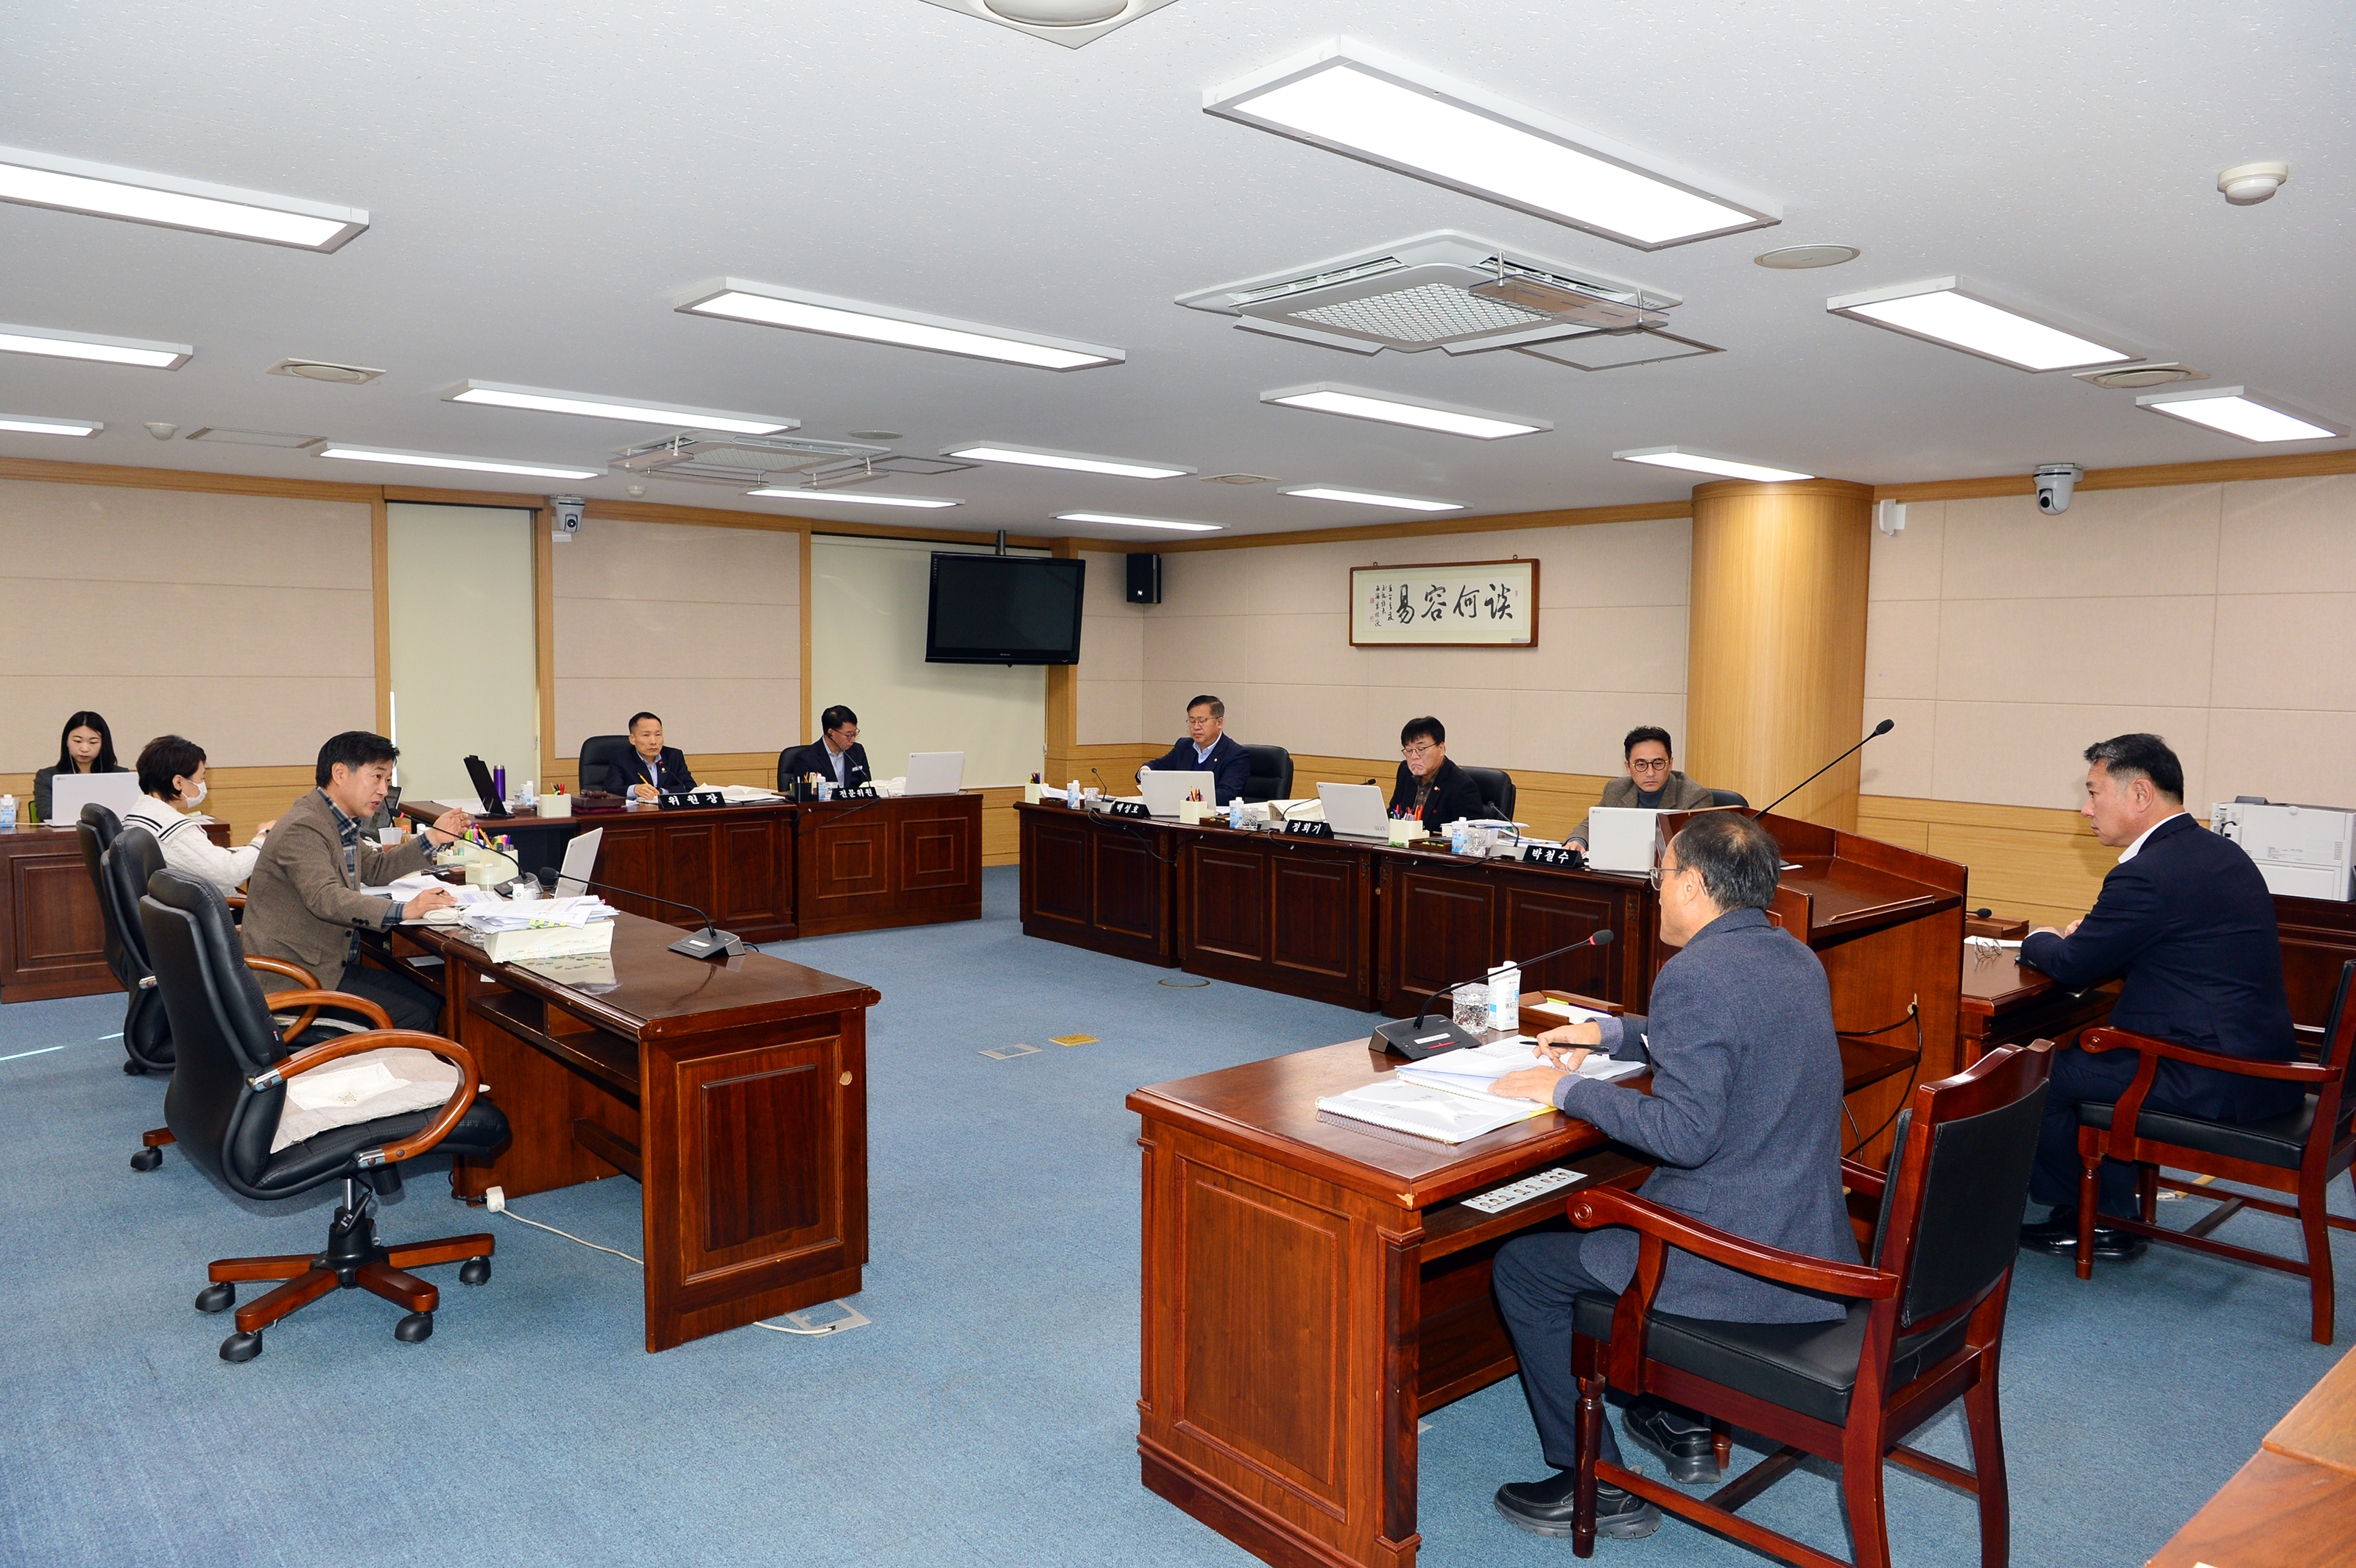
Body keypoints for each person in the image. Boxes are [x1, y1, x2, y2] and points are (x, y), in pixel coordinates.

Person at [1481, 812, 1858, 1541]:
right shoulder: (1792, 958)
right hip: (1803, 1237)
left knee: (1523, 1267)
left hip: (1731, 1258)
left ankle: (1592, 1480)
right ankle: (1677, 1417)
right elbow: (1726, 1035)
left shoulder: (1695, 973)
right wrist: (1610, 1032)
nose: (1656, 890)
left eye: (1662, 876)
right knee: (1602, 1211)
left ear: (1692, 885)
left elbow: (1683, 1135)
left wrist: (1562, 1088)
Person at [2016, 733, 2299, 1262]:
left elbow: (2073, 966)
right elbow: (2180, 946)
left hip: (2209, 1074)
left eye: (2094, 793)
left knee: (2032, 1076)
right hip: (2259, 1062)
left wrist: (2040, 939)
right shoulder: (2218, 852)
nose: (2086, 809)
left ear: (2140, 794)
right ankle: (2110, 1205)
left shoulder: (2146, 873)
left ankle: (2092, 1218)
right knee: (2087, 1057)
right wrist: (2097, 939)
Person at [240, 731, 473, 1034]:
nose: (383, 790)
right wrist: (405, 910)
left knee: (429, 999)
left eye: (387, 780)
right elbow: (325, 898)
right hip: (294, 980)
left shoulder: (334, 819)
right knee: (413, 1017)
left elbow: (375, 868)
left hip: (325, 966)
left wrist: (433, 838)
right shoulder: (304, 826)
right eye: (376, 777)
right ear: (339, 773)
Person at [120, 735, 275, 897]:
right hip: (206, 908)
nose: (203, 785)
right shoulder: (172, 828)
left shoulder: (138, 815)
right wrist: (264, 836)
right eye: (201, 778)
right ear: (178, 782)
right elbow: (231, 873)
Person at [1567, 726, 1719, 852]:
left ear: (1670, 764)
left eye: (1658, 763)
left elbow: (1696, 849)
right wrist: (1578, 841)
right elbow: (1592, 824)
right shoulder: (1616, 789)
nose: (1650, 773)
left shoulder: (1695, 797)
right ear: (1628, 767)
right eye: (1641, 765)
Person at [1138, 695, 1249, 805]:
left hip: (1213, 815)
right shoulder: (1184, 747)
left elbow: (1227, 795)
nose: (1196, 727)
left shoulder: (1235, 754)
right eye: (1192, 721)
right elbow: (1157, 766)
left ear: (1219, 723)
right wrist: (1145, 772)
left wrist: (1183, 797)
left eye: (1202, 721)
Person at [1387, 716, 1489, 832]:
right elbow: (1394, 812)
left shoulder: (1462, 786)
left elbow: (1470, 833)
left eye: (1421, 749)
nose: (1414, 756)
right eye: (1409, 750)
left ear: (1441, 749)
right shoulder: (1405, 771)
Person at [33, 711, 128, 822]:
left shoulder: (120, 775)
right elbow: (45, 813)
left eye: (93, 742)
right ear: (66, 741)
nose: (84, 749)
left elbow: (128, 811)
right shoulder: (47, 777)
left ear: (103, 744)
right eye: (77, 741)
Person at [779, 705, 873, 794]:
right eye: (848, 735)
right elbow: (806, 796)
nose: (853, 740)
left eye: (854, 734)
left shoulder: (857, 751)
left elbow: (867, 788)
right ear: (831, 733)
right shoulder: (806, 758)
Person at [607, 712, 696, 800]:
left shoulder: (674, 756)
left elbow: (690, 787)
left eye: (658, 735)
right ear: (632, 739)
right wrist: (634, 790)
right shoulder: (621, 758)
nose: (653, 742)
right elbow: (610, 790)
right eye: (646, 735)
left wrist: (662, 792)